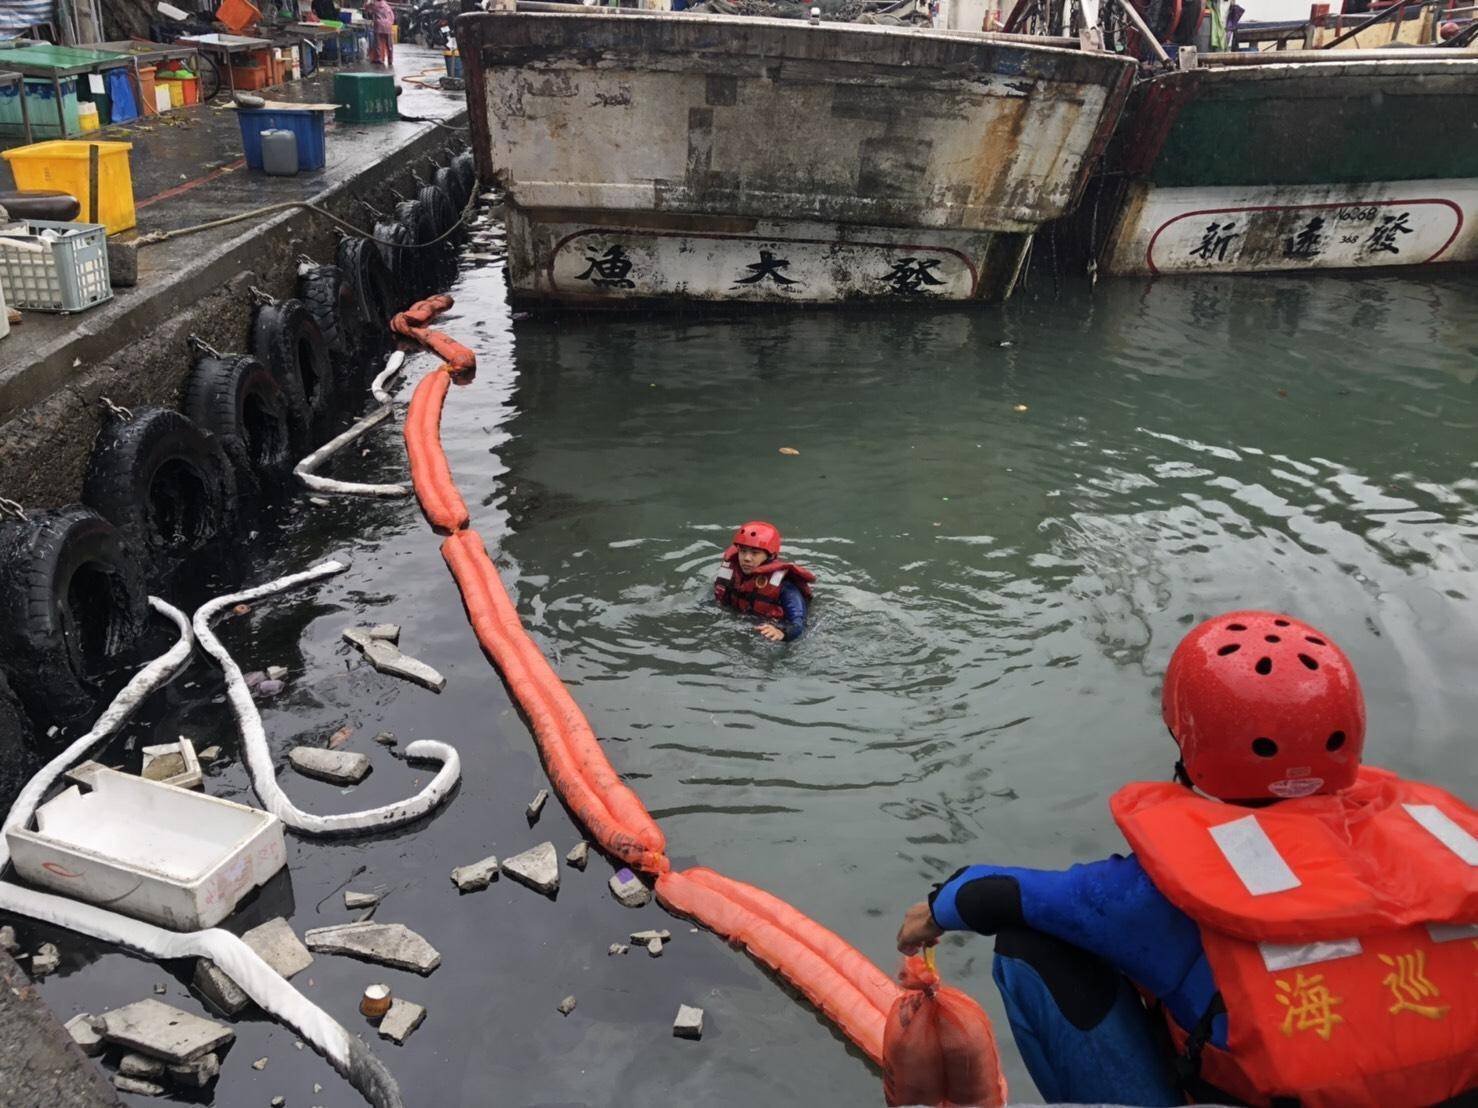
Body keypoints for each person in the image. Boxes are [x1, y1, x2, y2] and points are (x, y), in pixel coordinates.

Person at [897, 610, 1478, 1108]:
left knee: (1031, 944)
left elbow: (992, 895)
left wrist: (930, 913)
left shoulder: (1151, 894)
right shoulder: (1447, 850)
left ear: (1190, 742)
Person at [713, 521, 813, 642]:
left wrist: (782, 633)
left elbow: (798, 624)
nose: (746, 558)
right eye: (743, 551)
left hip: (771, 632)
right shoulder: (731, 572)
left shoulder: (785, 586)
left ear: (770, 556)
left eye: (755, 553)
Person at [364, 0, 395, 65]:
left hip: (378, 26)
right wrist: (389, 23)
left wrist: (368, 1)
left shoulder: (374, 4)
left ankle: (379, 59)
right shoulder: (387, 5)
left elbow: (366, 8)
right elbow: (392, 16)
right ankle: (390, 60)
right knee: (389, 45)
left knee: (377, 44)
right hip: (388, 26)